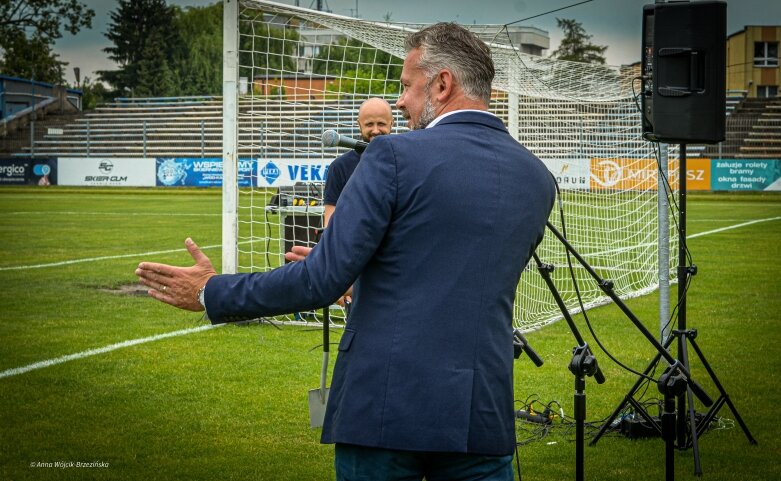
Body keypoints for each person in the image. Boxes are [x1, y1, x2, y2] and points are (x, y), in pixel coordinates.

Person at [136, 22, 556, 481]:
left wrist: (210, 291)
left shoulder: (393, 155)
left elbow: (320, 279)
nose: (400, 102)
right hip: (483, 413)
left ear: (442, 83)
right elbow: (447, 271)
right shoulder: (536, 178)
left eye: (406, 86)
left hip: (384, 407)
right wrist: (360, 277)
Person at [323, 97, 394, 227]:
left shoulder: (403, 161)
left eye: (381, 124)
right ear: (359, 125)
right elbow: (330, 220)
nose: (376, 130)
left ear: (391, 123)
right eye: (369, 124)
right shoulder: (339, 167)